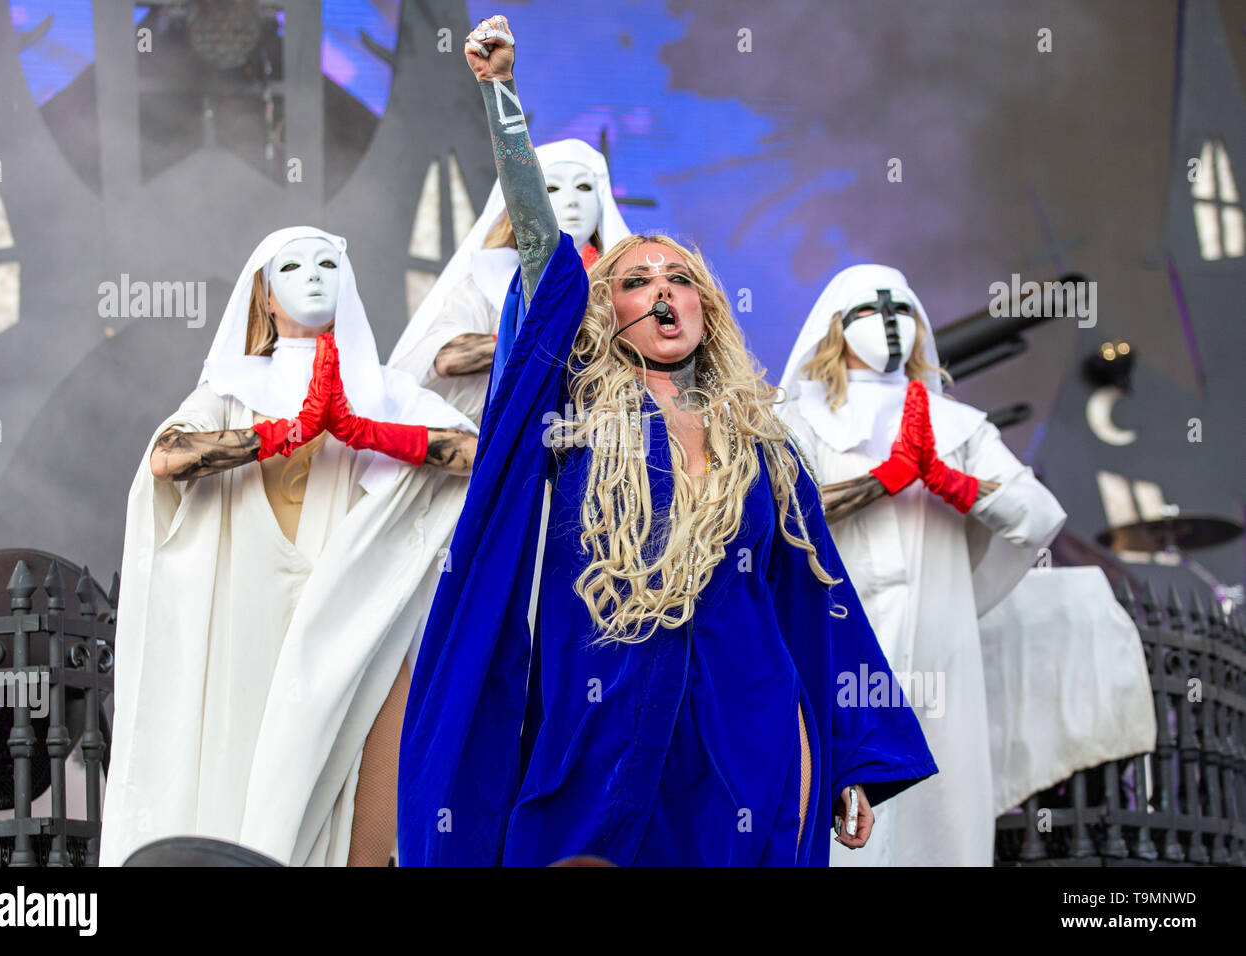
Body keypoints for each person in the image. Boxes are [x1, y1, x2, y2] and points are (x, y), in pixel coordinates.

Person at [396, 16, 937, 867]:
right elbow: (543, 253)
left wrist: (848, 759)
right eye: (636, 280)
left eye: (681, 279)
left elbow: (817, 599)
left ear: (708, 310)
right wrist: (503, 102)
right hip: (599, 708)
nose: (662, 292)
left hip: (748, 724)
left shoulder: (761, 444)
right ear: (601, 311)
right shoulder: (572, 414)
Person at [102, 226, 477, 867]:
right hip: (248, 615)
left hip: (353, 623)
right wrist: (279, 433)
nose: (313, 275)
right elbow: (167, 460)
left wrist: (369, 431)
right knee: (243, 778)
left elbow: (476, 455)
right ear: (266, 299)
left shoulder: (384, 391)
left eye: (328, 262)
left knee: (372, 773)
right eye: (294, 266)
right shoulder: (229, 391)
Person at [776, 263, 1067, 866]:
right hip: (834, 644)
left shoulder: (956, 427)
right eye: (869, 311)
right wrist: (882, 481)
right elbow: (773, 519)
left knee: (943, 815)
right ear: (833, 329)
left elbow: (1038, 516)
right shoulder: (794, 421)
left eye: (902, 310)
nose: (889, 324)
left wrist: (952, 481)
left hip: (939, 646)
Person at [388, 138, 631, 425]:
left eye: (584, 187)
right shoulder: (488, 281)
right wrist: (545, 334)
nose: (571, 201)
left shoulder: (629, 286)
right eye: (552, 188)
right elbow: (446, 359)